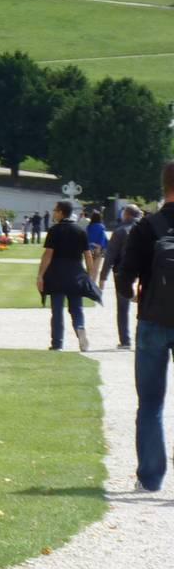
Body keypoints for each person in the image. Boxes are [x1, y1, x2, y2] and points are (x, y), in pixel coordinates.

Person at [124, 163, 174, 490]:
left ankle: (151, 477)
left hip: (154, 318)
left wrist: (135, 294)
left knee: (151, 402)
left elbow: (125, 275)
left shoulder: (147, 226)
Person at [37, 200, 91, 351]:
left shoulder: (55, 230)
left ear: (61, 212)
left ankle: (57, 343)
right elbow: (88, 255)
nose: (53, 213)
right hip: (75, 273)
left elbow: (48, 254)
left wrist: (40, 275)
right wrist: (90, 275)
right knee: (77, 308)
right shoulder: (80, 231)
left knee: (57, 310)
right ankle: (80, 327)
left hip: (57, 273)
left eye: (55, 210)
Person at [102, 204, 142, 350]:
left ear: (127, 215)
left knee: (123, 308)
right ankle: (141, 339)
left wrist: (103, 276)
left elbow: (110, 255)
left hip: (122, 272)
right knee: (143, 307)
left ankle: (125, 340)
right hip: (144, 272)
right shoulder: (146, 229)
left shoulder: (120, 231)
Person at [85, 209, 110, 277]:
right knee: (96, 269)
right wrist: (100, 247)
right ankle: (94, 284)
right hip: (98, 249)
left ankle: (89, 283)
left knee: (89, 268)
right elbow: (102, 238)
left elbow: (86, 238)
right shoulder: (101, 227)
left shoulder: (89, 227)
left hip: (89, 249)